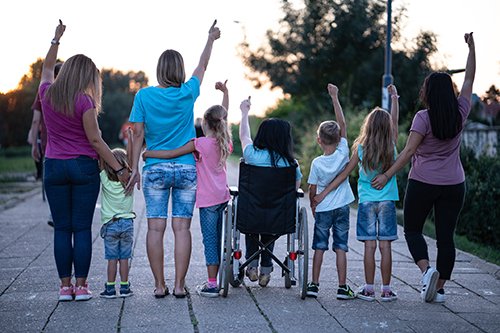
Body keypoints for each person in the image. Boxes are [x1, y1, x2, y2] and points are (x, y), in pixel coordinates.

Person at [371, 33, 476, 303]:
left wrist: (386, 174)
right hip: (454, 185)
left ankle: (427, 271)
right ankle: (438, 289)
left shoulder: (423, 118)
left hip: (423, 183)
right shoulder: (460, 112)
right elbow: (469, 79)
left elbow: (408, 152)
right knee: (446, 238)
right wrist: (472, 48)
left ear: (428, 93)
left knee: (413, 230)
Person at [127, 20, 221, 298]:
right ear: (179, 70)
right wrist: (210, 39)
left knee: (155, 228)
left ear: (159, 70)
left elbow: (138, 133)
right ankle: (180, 286)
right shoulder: (187, 92)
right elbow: (202, 66)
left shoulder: (143, 96)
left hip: (155, 168)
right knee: (182, 228)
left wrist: (134, 169)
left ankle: (159, 286)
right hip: (185, 168)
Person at [40, 20, 130, 301]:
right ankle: (81, 286)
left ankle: (64, 288)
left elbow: (45, 70)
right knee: (81, 228)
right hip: (82, 167)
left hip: (54, 166)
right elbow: (95, 140)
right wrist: (119, 168)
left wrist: (56, 40)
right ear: (87, 77)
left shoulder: (46, 94)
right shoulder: (85, 103)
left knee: (62, 228)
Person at [143, 80, 231, 298]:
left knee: (210, 239)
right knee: (220, 238)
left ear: (206, 125)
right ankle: (210, 279)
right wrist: (225, 93)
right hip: (223, 197)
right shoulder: (225, 144)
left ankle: (212, 282)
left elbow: (173, 153)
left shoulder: (200, 143)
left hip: (208, 200)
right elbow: (224, 115)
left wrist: (149, 154)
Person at [314, 84, 401, 302]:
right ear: (387, 128)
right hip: (388, 201)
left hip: (366, 202)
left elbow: (343, 174)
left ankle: (369, 289)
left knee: (370, 246)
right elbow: (395, 122)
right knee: (386, 245)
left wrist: (323, 195)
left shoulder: (361, 148)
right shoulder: (391, 144)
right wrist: (395, 99)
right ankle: (387, 290)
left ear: (368, 127)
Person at [239, 97, 302, 287]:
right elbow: (295, 188)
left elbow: (244, 137)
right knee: (270, 226)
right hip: (277, 216)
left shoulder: (251, 156)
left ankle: (251, 267)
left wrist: (244, 112)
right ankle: (266, 269)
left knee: (253, 226)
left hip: (252, 213)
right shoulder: (291, 164)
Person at [305, 84, 355, 300]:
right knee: (341, 247)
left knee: (319, 247)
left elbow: (312, 189)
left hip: (324, 208)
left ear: (319, 140)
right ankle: (342, 287)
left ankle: (314, 285)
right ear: (338, 139)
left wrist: (313, 205)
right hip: (343, 206)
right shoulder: (344, 151)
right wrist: (335, 97)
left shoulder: (316, 163)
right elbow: (342, 123)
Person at [99, 137, 136, 299]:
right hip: (127, 224)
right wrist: (132, 140)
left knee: (112, 259)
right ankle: (125, 287)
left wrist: (98, 135)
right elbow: (133, 159)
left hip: (110, 224)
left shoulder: (105, 179)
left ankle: (110, 288)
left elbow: (100, 155)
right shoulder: (129, 181)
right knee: (125, 258)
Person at [28, 62, 63, 227]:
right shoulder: (72, 91)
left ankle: (54, 212)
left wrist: (34, 143)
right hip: (72, 147)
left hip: (49, 144)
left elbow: (36, 121)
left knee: (53, 180)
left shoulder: (43, 91)